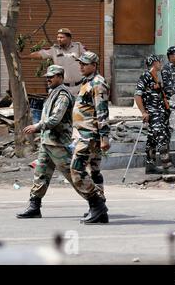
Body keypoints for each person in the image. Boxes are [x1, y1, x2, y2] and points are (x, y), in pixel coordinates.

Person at [16, 65, 88, 219]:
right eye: (47, 76)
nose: (48, 79)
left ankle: (96, 203)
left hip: (58, 143)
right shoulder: (53, 93)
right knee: (40, 174)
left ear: (61, 77)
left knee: (74, 174)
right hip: (47, 142)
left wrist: (37, 126)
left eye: (52, 76)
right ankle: (34, 206)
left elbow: (55, 119)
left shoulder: (63, 95)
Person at [71, 51, 110, 224]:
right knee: (94, 171)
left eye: (84, 64)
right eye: (80, 63)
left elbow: (102, 111)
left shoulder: (97, 83)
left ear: (94, 65)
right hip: (84, 134)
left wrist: (105, 137)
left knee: (77, 169)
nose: (81, 66)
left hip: (90, 135)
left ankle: (98, 205)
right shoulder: (87, 82)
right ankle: (98, 211)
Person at [134, 54, 175, 174]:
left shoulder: (156, 77)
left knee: (152, 140)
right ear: (154, 63)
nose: (160, 63)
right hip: (153, 114)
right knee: (161, 137)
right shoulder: (146, 76)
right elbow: (137, 95)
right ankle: (167, 166)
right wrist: (143, 112)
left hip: (161, 112)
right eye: (159, 62)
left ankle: (150, 165)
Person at [26, 28, 86, 95]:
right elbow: (40, 54)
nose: (59, 39)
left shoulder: (78, 46)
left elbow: (89, 56)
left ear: (69, 38)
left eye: (61, 37)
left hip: (79, 87)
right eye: (58, 37)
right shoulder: (54, 49)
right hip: (63, 88)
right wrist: (23, 56)